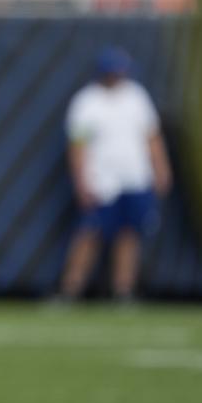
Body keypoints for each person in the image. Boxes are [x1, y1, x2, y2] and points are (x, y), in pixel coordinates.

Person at [57, 46, 172, 302]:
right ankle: (71, 288)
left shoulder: (136, 97)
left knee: (129, 235)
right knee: (89, 233)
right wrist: (81, 181)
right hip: (102, 180)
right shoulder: (87, 102)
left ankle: (123, 290)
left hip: (135, 178)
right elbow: (77, 146)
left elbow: (152, 136)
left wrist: (161, 168)